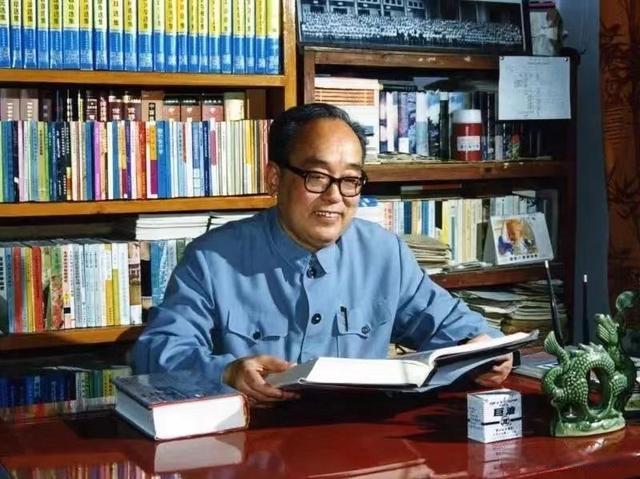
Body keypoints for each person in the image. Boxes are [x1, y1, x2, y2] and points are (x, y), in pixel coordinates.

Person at [132, 103, 512, 403]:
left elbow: (460, 327)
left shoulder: (384, 254)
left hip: (356, 444)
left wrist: (487, 351)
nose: (335, 196)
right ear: (275, 178)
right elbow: (157, 352)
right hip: (246, 444)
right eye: (317, 177)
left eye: (350, 180)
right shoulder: (212, 259)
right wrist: (226, 372)